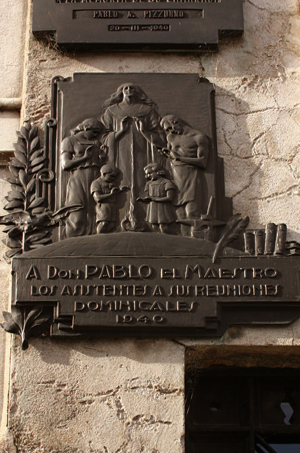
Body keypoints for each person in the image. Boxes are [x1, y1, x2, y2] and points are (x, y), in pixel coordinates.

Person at [101, 84, 166, 231]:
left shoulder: (147, 110)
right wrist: (120, 131)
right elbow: (103, 135)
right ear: (121, 92)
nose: (129, 90)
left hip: (144, 152)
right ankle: (121, 218)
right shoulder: (112, 111)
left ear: (137, 92)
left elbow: (160, 133)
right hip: (119, 153)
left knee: (142, 182)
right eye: (126, 88)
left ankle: (145, 218)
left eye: (132, 88)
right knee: (122, 182)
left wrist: (144, 131)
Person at [160, 115, 209, 233]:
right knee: (179, 214)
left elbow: (203, 162)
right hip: (175, 176)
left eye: (170, 128)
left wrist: (180, 158)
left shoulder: (199, 137)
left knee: (192, 212)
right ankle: (183, 243)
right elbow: (173, 155)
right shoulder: (171, 137)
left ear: (176, 122)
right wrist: (169, 154)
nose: (170, 132)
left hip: (191, 177)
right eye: (167, 130)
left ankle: (197, 241)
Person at [61, 118, 107, 237]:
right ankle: (73, 237)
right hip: (79, 176)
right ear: (86, 128)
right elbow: (65, 164)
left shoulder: (96, 143)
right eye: (95, 132)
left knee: (95, 208)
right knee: (77, 207)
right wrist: (85, 157)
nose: (96, 135)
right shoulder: (69, 141)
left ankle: (92, 237)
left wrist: (102, 156)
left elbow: (102, 162)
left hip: (95, 176)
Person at [137, 162, 176, 234]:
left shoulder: (167, 183)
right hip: (152, 207)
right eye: (147, 174)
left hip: (162, 207)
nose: (148, 176)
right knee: (154, 225)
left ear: (158, 171)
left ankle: (168, 239)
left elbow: (169, 198)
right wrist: (144, 199)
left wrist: (154, 199)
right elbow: (149, 196)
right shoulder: (149, 184)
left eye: (150, 173)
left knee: (163, 225)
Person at [90, 164, 129, 234]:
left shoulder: (111, 183)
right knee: (104, 223)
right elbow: (98, 198)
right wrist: (111, 194)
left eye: (114, 177)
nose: (113, 179)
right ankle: (98, 237)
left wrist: (120, 190)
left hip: (112, 206)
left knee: (112, 225)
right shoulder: (96, 183)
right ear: (104, 174)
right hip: (103, 207)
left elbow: (113, 192)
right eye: (111, 176)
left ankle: (107, 240)